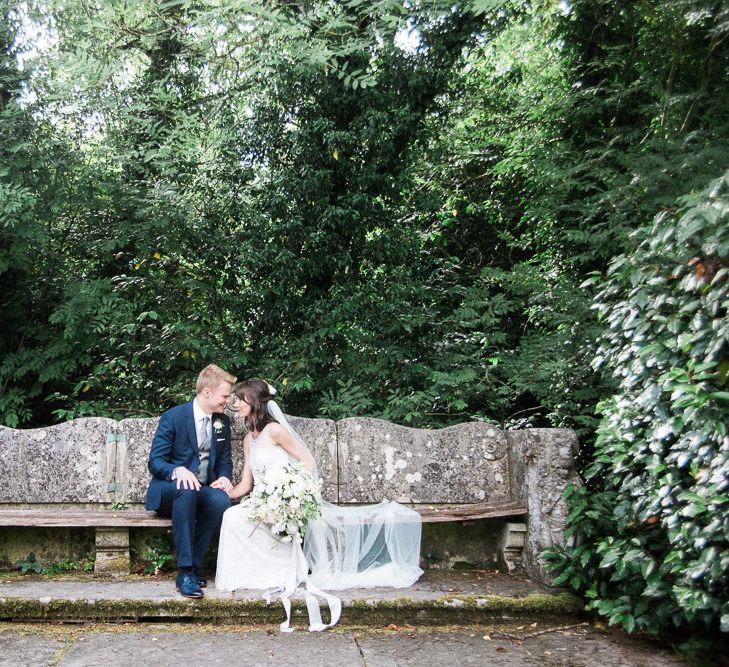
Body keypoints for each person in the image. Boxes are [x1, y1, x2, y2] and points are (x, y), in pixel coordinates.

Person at [215, 379, 423, 632]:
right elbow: (245, 484)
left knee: (236, 518)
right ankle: (251, 574)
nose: (235, 404)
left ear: (254, 401)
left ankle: (279, 571)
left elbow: (308, 462)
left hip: (285, 500)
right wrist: (227, 490)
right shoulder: (249, 439)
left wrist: (290, 492)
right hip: (261, 501)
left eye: (240, 398)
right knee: (231, 515)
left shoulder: (276, 431)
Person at [146, 364, 236, 599]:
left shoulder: (221, 422)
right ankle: (184, 572)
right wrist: (177, 470)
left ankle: (194, 566)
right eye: (224, 395)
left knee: (219, 500)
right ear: (207, 392)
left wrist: (225, 478)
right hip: (169, 490)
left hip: (201, 490)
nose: (227, 401)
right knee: (185, 489)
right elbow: (155, 461)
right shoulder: (174, 417)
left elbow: (225, 461)